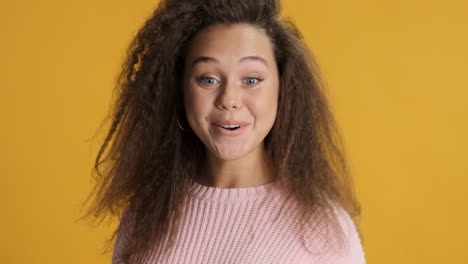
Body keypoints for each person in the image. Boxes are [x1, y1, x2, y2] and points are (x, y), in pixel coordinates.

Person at [80, 0, 366, 263]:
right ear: (180, 89)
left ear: (284, 89)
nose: (229, 99)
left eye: (251, 79)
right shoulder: (144, 215)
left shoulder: (324, 230)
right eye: (208, 79)